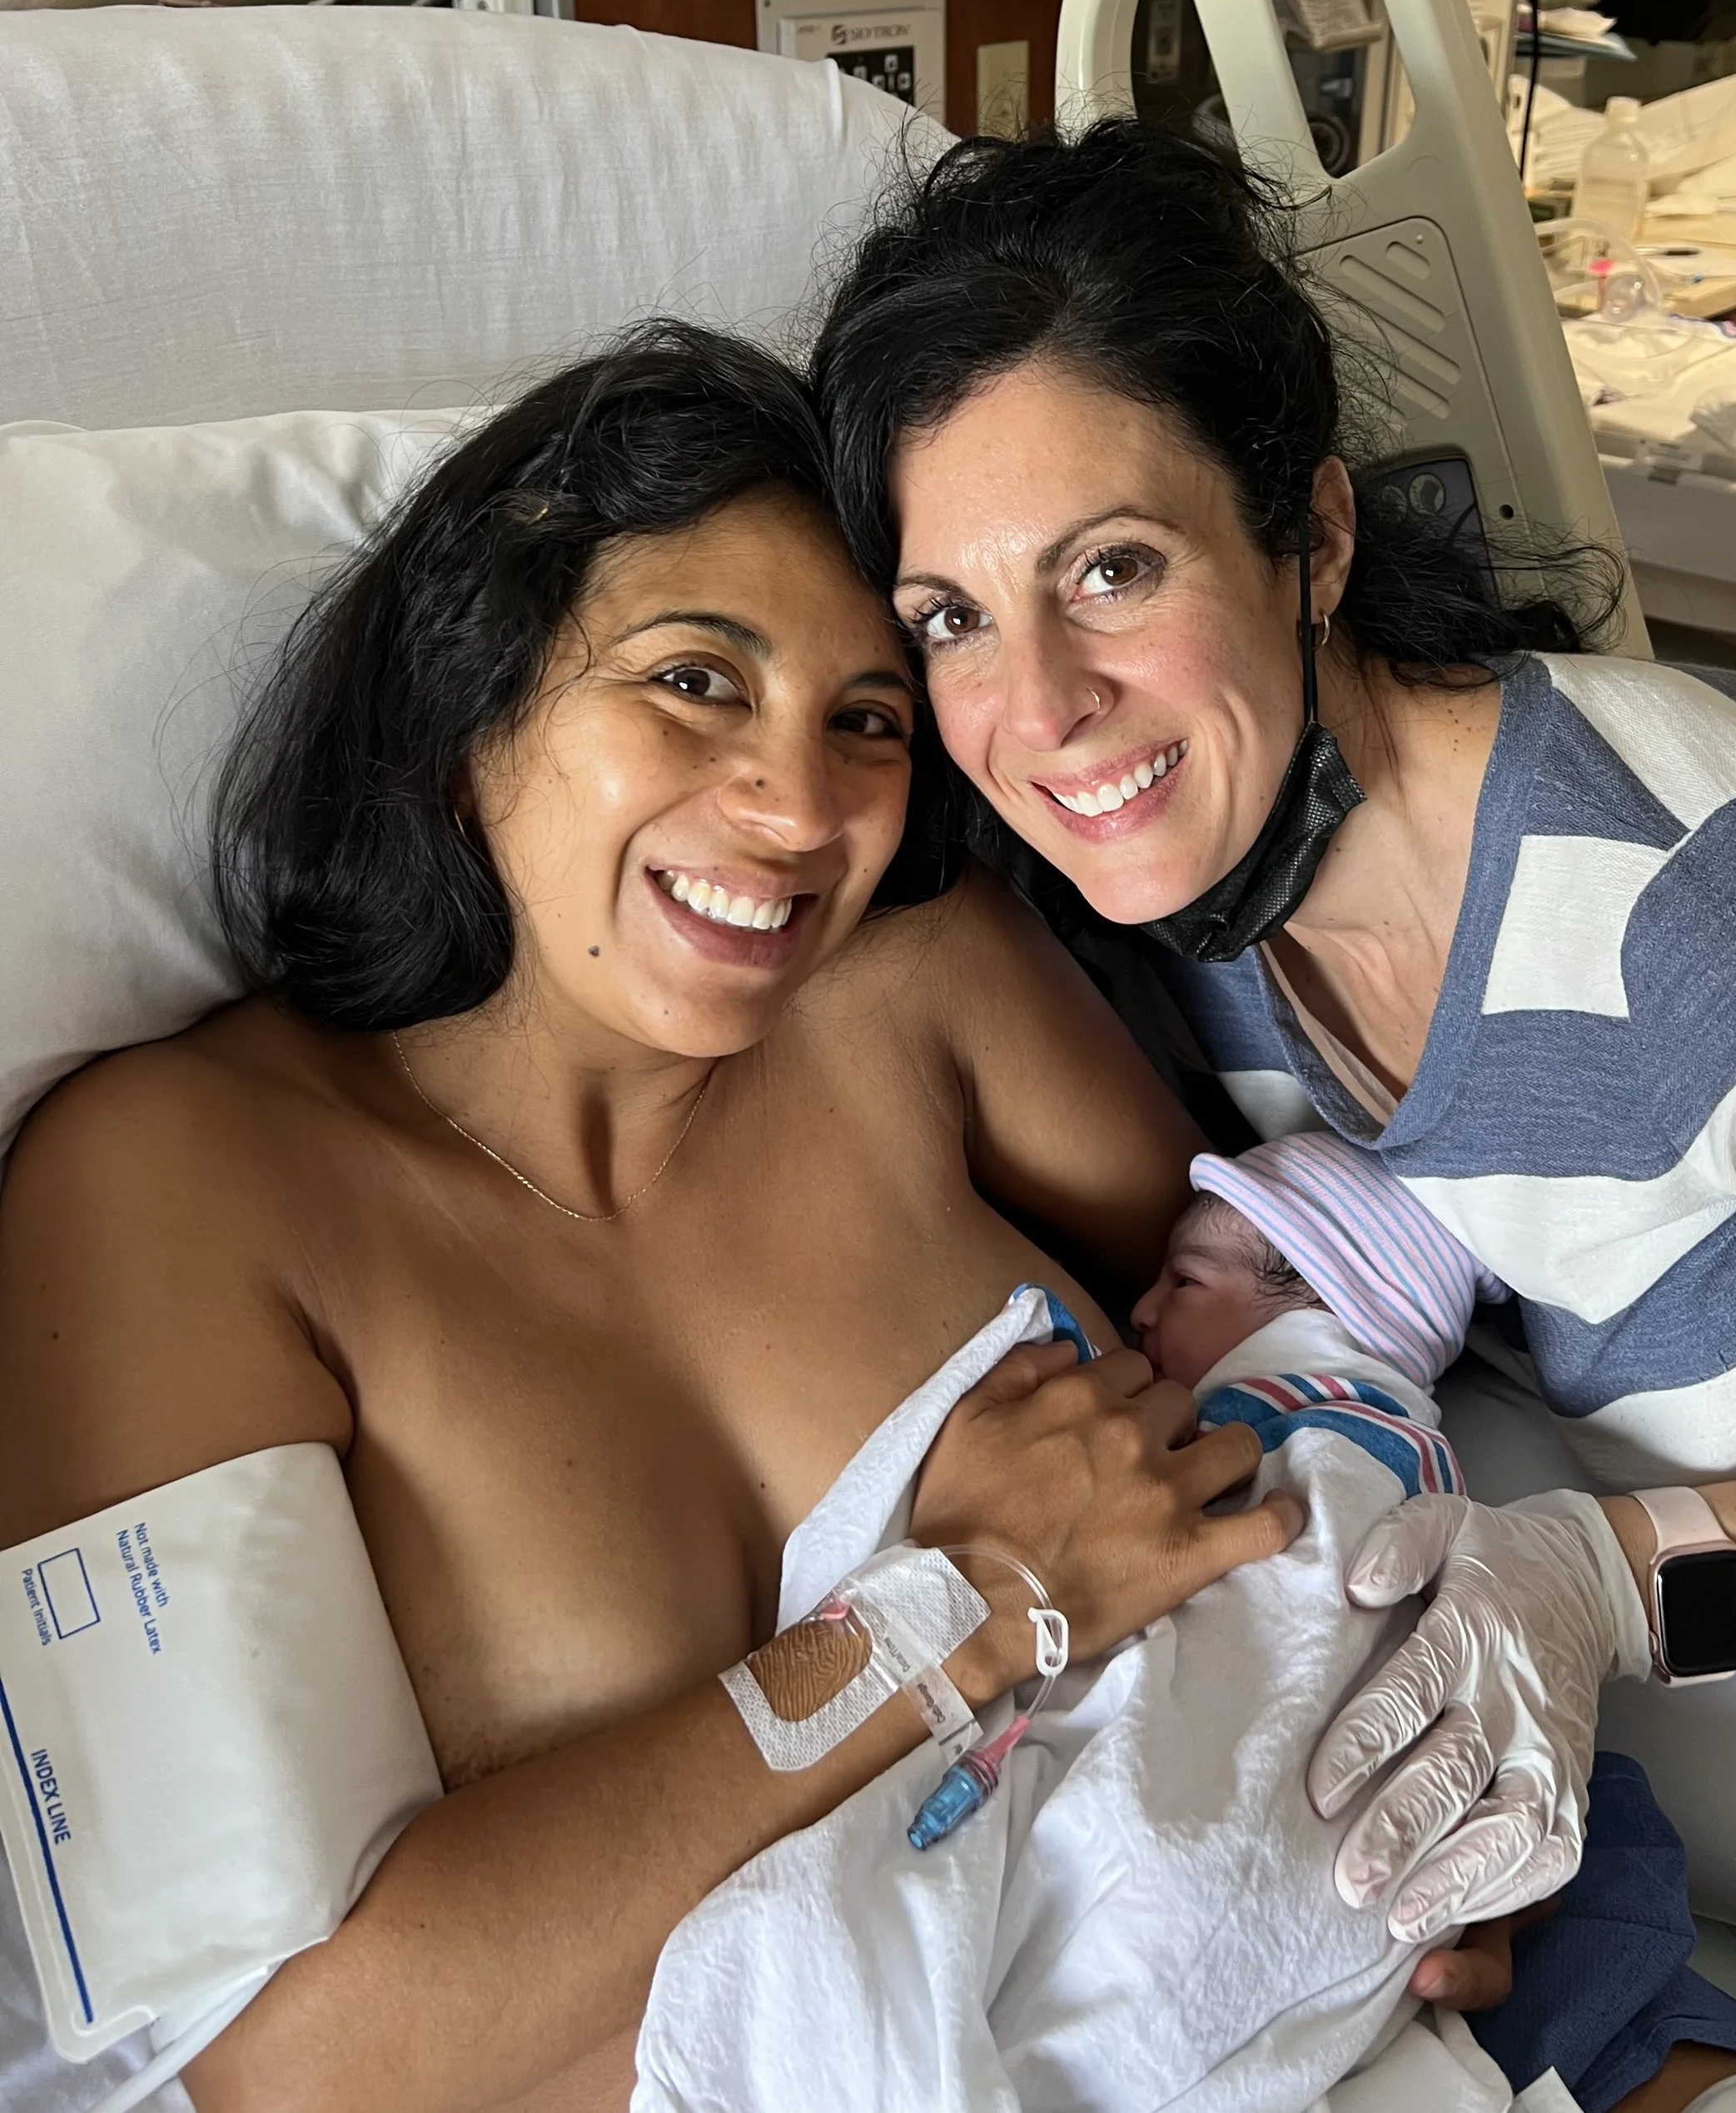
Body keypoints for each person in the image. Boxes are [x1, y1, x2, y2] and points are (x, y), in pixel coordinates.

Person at [809, 116, 1736, 1971]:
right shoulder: (1173, 902)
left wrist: (1604, 1581)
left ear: (1313, 536)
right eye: (951, 617)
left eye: (1110, 570)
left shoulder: (1712, 914)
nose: (1040, 710)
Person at [0, 324, 1302, 2113]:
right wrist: (967, 1606)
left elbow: (1294, 1340)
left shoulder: (923, 1000)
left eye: (864, 721)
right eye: (697, 680)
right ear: (475, 698)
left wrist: (1385, 1794)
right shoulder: (176, 1186)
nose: (795, 811)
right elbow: (290, 2062)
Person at [635, 1136, 1736, 2113]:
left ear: (1330, 1301)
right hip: (1328, 1931)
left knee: (817, 1948)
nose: (1141, 1310)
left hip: (1237, 1863)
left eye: (1185, 1282)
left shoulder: (1297, 1435)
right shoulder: (1415, 1465)